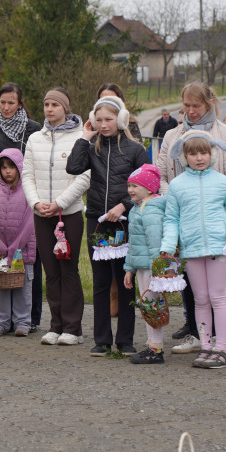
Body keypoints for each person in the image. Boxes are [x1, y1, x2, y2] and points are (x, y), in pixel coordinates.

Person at [156, 82, 226, 354]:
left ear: (209, 103)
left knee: (216, 294)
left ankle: (221, 344)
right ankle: (198, 337)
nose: (192, 111)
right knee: (196, 292)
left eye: (197, 106)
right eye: (187, 106)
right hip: (186, 221)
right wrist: (179, 197)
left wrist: (210, 193)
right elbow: (161, 175)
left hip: (216, 225)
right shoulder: (171, 136)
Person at [67, 95, 148, 356]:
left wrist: (124, 205)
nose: (104, 124)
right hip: (97, 222)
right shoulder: (92, 149)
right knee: (101, 281)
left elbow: (147, 185)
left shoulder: (135, 150)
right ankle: (101, 340)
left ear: (121, 120)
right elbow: (73, 167)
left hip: (125, 221)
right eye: (98, 119)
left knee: (125, 281)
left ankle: (125, 340)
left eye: (109, 119)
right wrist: (84, 138)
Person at [23, 88, 91, 346]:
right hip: (42, 213)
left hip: (69, 213)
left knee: (68, 269)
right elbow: (27, 174)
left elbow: (84, 176)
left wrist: (60, 203)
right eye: (46, 104)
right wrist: (36, 202)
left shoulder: (79, 137)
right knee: (50, 270)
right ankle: (55, 325)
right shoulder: (35, 139)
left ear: (66, 107)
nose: (49, 109)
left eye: (54, 104)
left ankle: (73, 328)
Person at [0, 81, 44, 331]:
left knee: (30, 264)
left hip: (28, 200)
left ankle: (31, 318)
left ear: (20, 103)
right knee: (1, 265)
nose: (6, 107)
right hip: (1, 202)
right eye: (3, 102)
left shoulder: (34, 130)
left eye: (11, 102)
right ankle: (2, 319)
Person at [122, 164, 169, 364]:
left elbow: (154, 243)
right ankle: (152, 345)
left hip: (151, 268)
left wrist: (155, 272)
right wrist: (129, 269)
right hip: (141, 266)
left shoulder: (151, 210)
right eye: (129, 186)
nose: (130, 190)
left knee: (152, 306)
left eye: (135, 186)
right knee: (147, 305)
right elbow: (133, 244)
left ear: (150, 188)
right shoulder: (137, 208)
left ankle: (155, 349)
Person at [0, 148, 36, 337]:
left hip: (22, 250)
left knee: (22, 286)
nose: (7, 171)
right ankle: (0, 321)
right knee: (1, 286)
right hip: (0, 250)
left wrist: (15, 246)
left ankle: (22, 321)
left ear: (20, 167)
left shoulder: (28, 191)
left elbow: (30, 222)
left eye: (11, 167)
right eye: (3, 167)